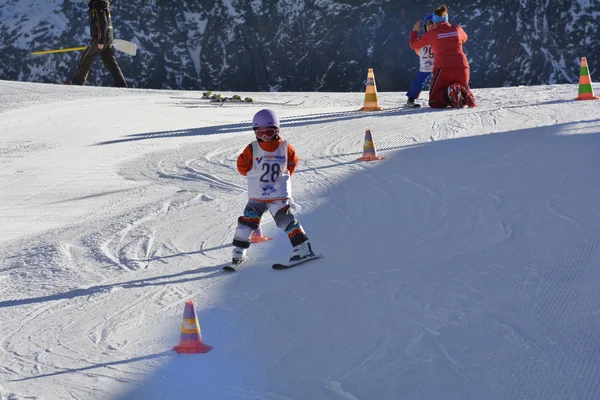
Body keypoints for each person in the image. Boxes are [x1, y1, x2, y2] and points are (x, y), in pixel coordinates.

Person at [230, 109, 315, 266]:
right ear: (255, 132)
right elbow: (242, 167)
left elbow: (291, 164)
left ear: (277, 130)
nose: (265, 137)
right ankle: (239, 251)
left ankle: (303, 247)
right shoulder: (252, 149)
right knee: (247, 221)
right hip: (257, 196)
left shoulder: (285, 148)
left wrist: (281, 177)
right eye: (260, 133)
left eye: (269, 132)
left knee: (285, 220)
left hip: (277, 195)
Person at [409, 4, 476, 108]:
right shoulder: (457, 29)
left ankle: (451, 92)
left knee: (434, 101)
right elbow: (465, 38)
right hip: (463, 67)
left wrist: (414, 31)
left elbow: (413, 45)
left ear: (434, 21)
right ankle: (464, 92)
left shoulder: (432, 34)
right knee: (458, 95)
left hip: (444, 68)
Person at [72, 0, 127, 87]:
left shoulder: (98, 5)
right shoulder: (100, 4)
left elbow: (103, 23)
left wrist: (101, 40)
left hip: (100, 38)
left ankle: (77, 84)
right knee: (110, 62)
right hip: (107, 37)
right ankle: (122, 85)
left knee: (86, 59)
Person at [405, 14, 435, 108]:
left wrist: (414, 32)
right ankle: (411, 99)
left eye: (433, 26)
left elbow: (415, 47)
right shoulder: (434, 37)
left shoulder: (426, 38)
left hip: (437, 66)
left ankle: (442, 97)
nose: (431, 28)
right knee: (419, 81)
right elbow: (415, 46)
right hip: (426, 65)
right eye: (429, 26)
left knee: (439, 82)